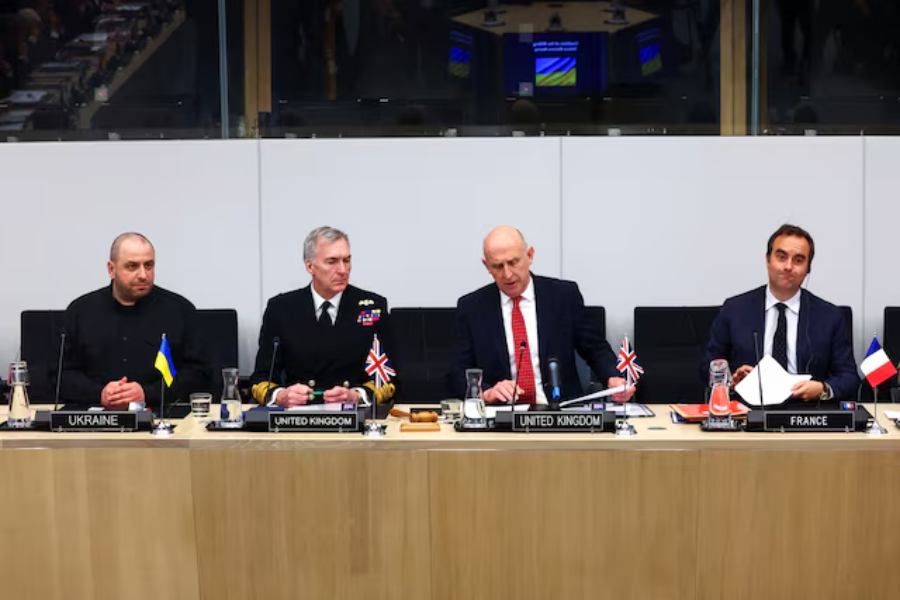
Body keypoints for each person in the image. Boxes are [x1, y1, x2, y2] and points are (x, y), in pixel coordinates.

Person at [448, 226, 634, 404]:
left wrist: (613, 378)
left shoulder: (564, 296)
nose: (507, 274)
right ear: (486, 266)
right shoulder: (472, 308)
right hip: (502, 417)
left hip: (560, 414)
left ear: (530, 255)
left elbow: (595, 348)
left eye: (513, 262)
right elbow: (458, 372)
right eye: (497, 266)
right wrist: (487, 393)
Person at [702, 224, 859, 402]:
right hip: (748, 414)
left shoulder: (829, 316)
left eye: (798, 260)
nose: (788, 266)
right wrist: (730, 381)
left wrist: (822, 389)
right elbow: (707, 367)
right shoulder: (734, 309)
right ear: (768, 260)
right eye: (781, 257)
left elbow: (849, 377)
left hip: (807, 415)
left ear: (808, 269)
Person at [250, 226, 398, 407]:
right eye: (332, 261)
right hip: (299, 416)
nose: (343, 270)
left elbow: (389, 376)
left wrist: (357, 396)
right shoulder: (281, 309)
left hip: (353, 417)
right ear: (310, 266)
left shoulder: (372, 307)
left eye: (347, 260)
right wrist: (280, 396)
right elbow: (261, 378)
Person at [61, 233, 210, 408]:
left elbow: (199, 375)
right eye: (132, 266)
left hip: (163, 418)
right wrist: (99, 394)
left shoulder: (180, 311)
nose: (143, 275)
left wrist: (148, 393)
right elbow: (60, 375)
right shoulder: (81, 311)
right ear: (111, 269)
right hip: (93, 419)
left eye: (149, 265)